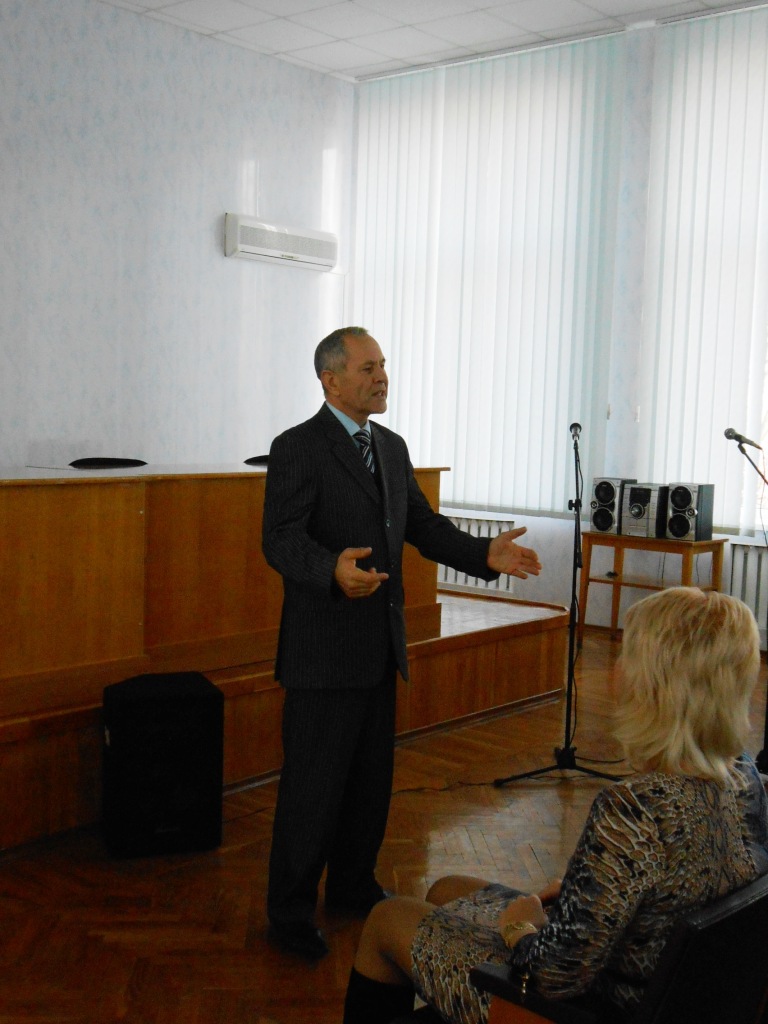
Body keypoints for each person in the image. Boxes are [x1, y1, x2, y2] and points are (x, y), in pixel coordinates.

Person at [342, 586, 768, 1023]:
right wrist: (586, 891)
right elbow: (675, 890)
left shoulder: (635, 810)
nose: (617, 668)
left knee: (386, 919)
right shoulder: (746, 778)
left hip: (579, 1007)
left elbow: (552, 976)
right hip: (655, 987)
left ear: (656, 686)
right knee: (446, 890)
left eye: (628, 656)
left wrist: (520, 927)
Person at [262, 326, 542, 961]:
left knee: (368, 785)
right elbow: (279, 538)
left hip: (378, 646)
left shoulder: (389, 447)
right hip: (322, 651)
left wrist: (484, 554)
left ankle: (352, 886)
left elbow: (422, 524)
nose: (381, 377)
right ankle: (289, 913)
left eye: (383, 365)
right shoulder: (298, 447)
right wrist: (330, 569)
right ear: (330, 379)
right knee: (312, 791)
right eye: (367, 368)